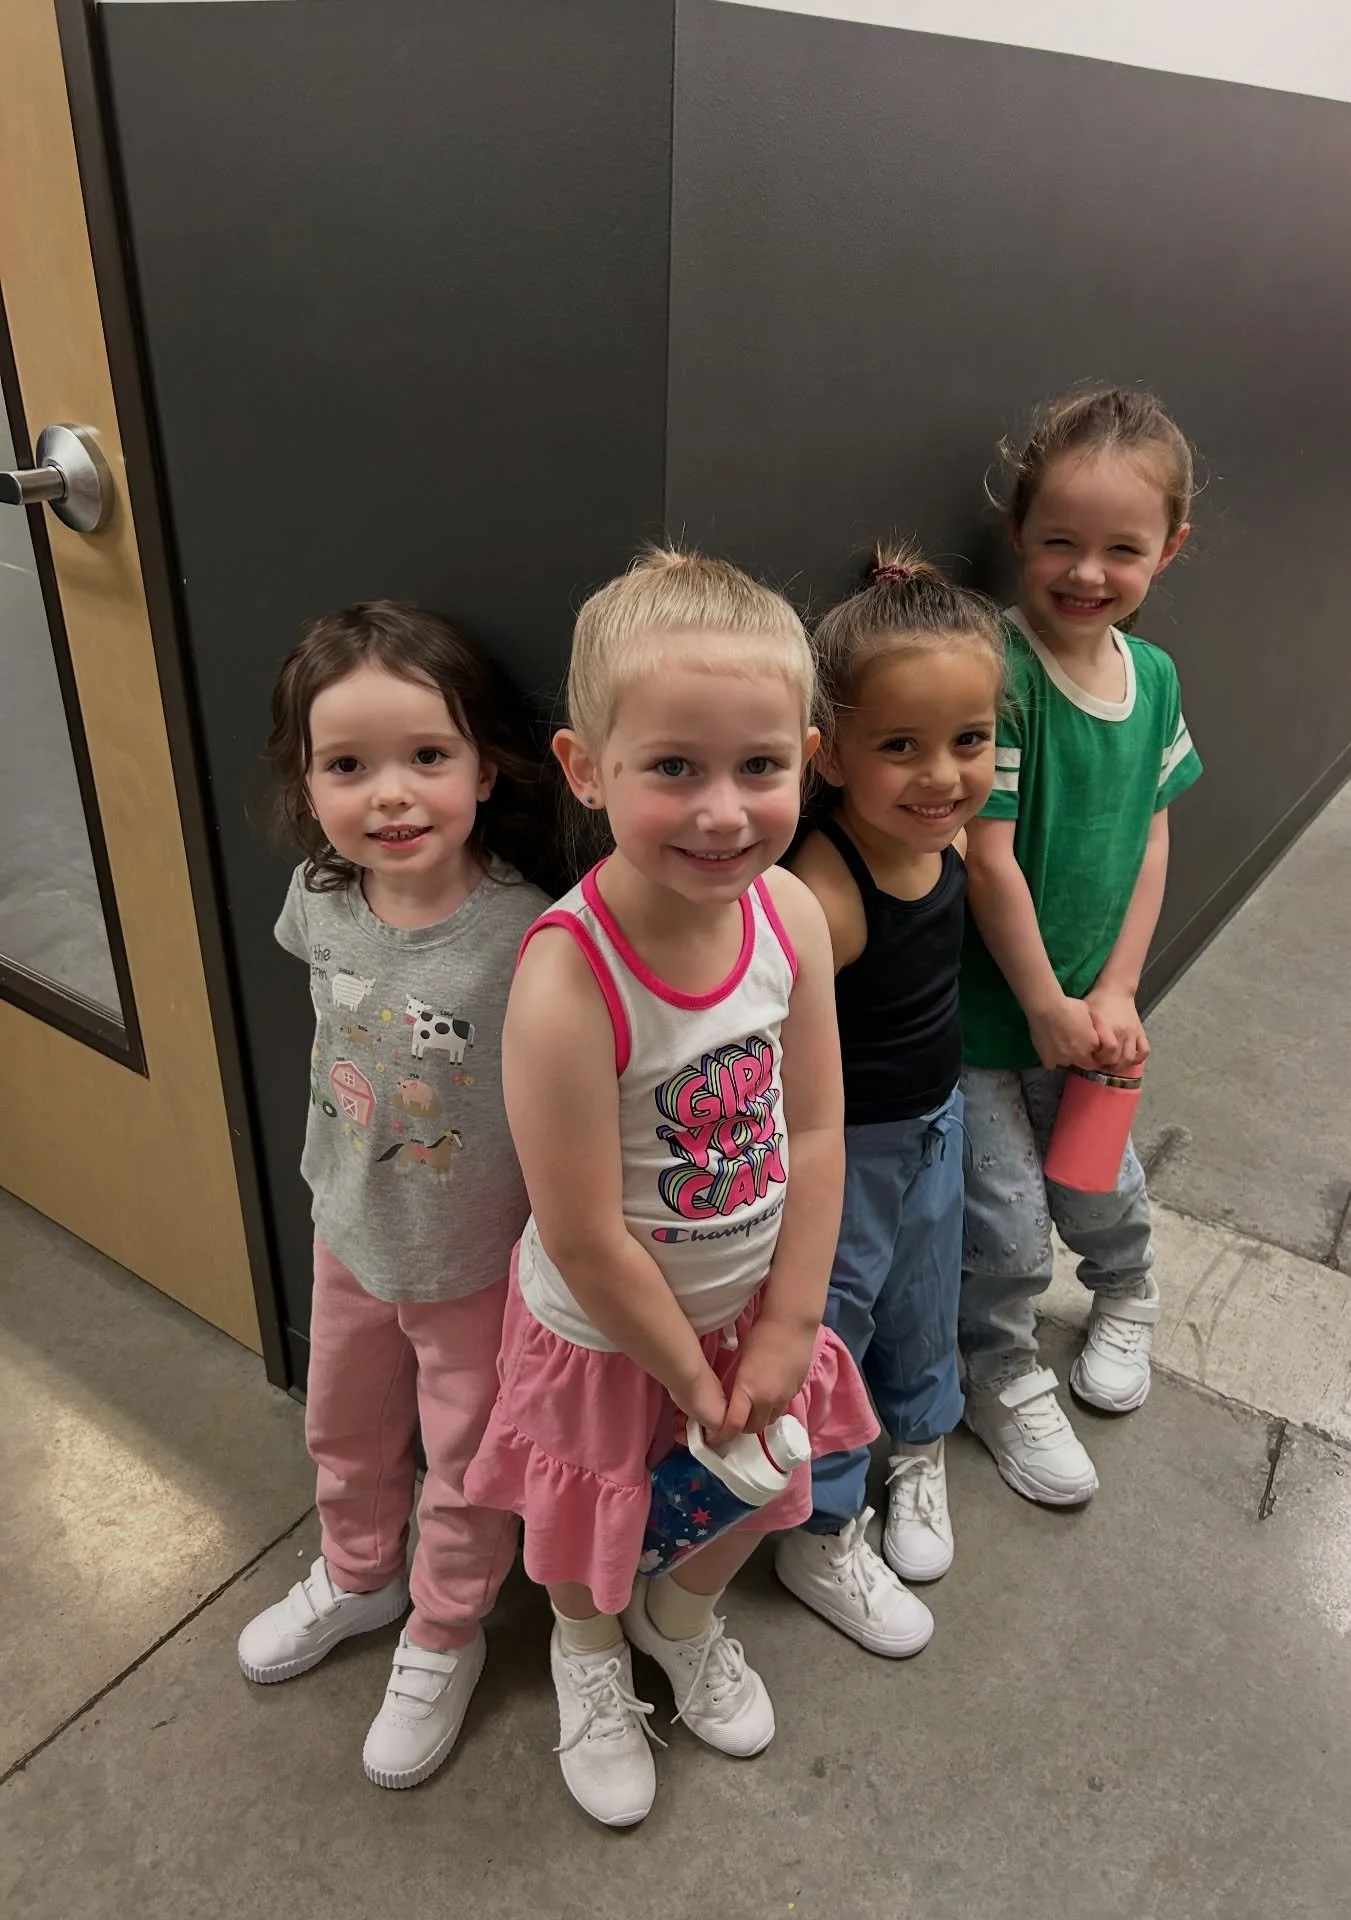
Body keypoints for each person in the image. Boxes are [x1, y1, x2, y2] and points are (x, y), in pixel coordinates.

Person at [464, 548, 877, 1827]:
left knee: (757, 1489)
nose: (721, 812)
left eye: (758, 767)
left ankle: (681, 1619)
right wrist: (691, 1379)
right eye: (672, 770)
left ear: (807, 758)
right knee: (592, 1531)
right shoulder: (566, 980)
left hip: (754, 1310)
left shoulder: (792, 921)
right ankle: (589, 1653)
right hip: (608, 1336)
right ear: (588, 770)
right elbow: (584, 1235)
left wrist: (790, 1324)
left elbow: (815, 1127)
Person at [236, 600, 551, 1788]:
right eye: (349, 765)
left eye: (428, 757)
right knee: (344, 1419)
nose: (393, 795)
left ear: (485, 765)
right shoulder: (321, 901)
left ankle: (445, 1627)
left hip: (476, 1256)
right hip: (348, 1230)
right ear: (307, 782)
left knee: (469, 1458)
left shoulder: (525, 932)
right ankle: (361, 1572)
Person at [959, 387, 1203, 1504]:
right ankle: (999, 1369)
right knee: (1002, 1218)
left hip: (1089, 1010)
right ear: (1019, 532)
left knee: (1100, 1180)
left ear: (1170, 549)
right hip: (984, 1015)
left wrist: (1113, 988)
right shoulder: (998, 677)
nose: (1087, 572)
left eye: (1121, 549)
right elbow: (988, 855)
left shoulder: (1151, 681)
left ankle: (1127, 1290)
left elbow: (1153, 839)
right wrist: (1047, 1003)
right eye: (1060, 541)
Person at [776, 544, 1003, 1657]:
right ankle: (817, 1518)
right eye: (899, 746)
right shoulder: (824, 889)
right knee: (832, 1324)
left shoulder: (943, 837)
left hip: (935, 1121)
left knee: (922, 1296)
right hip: (848, 1151)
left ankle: (917, 1446)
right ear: (832, 754)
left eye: (970, 741)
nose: (942, 775)